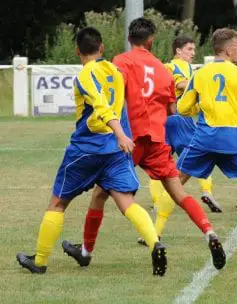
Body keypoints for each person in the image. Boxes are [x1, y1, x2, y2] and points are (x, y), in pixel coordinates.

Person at [62, 19, 226, 271]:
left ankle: (86, 251)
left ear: (130, 38)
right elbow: (172, 109)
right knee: (179, 194)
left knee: (100, 194)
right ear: (151, 41)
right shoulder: (163, 69)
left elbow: (112, 92)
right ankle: (210, 233)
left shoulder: (122, 61)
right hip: (157, 138)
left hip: (131, 139)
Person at [16, 27, 167, 276]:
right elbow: (124, 105)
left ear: (77, 51)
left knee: (58, 202)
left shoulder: (85, 75)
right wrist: (123, 136)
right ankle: (155, 243)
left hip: (87, 149)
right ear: (102, 48)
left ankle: (40, 261)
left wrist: (120, 133)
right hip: (115, 151)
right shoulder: (115, 71)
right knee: (126, 201)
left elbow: (101, 107)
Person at [176, 28, 237, 246]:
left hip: (206, 137)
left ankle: (155, 234)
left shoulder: (200, 73)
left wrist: (199, 107)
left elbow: (183, 107)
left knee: (175, 181)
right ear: (229, 48)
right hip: (234, 138)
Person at [136, 36, 218, 247]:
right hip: (179, 121)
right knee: (192, 161)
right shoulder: (180, 67)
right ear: (178, 51)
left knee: (161, 166)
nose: (193, 53)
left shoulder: (162, 67)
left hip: (159, 122)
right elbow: (180, 83)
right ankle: (207, 192)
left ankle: (156, 211)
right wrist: (203, 78)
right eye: (189, 49)